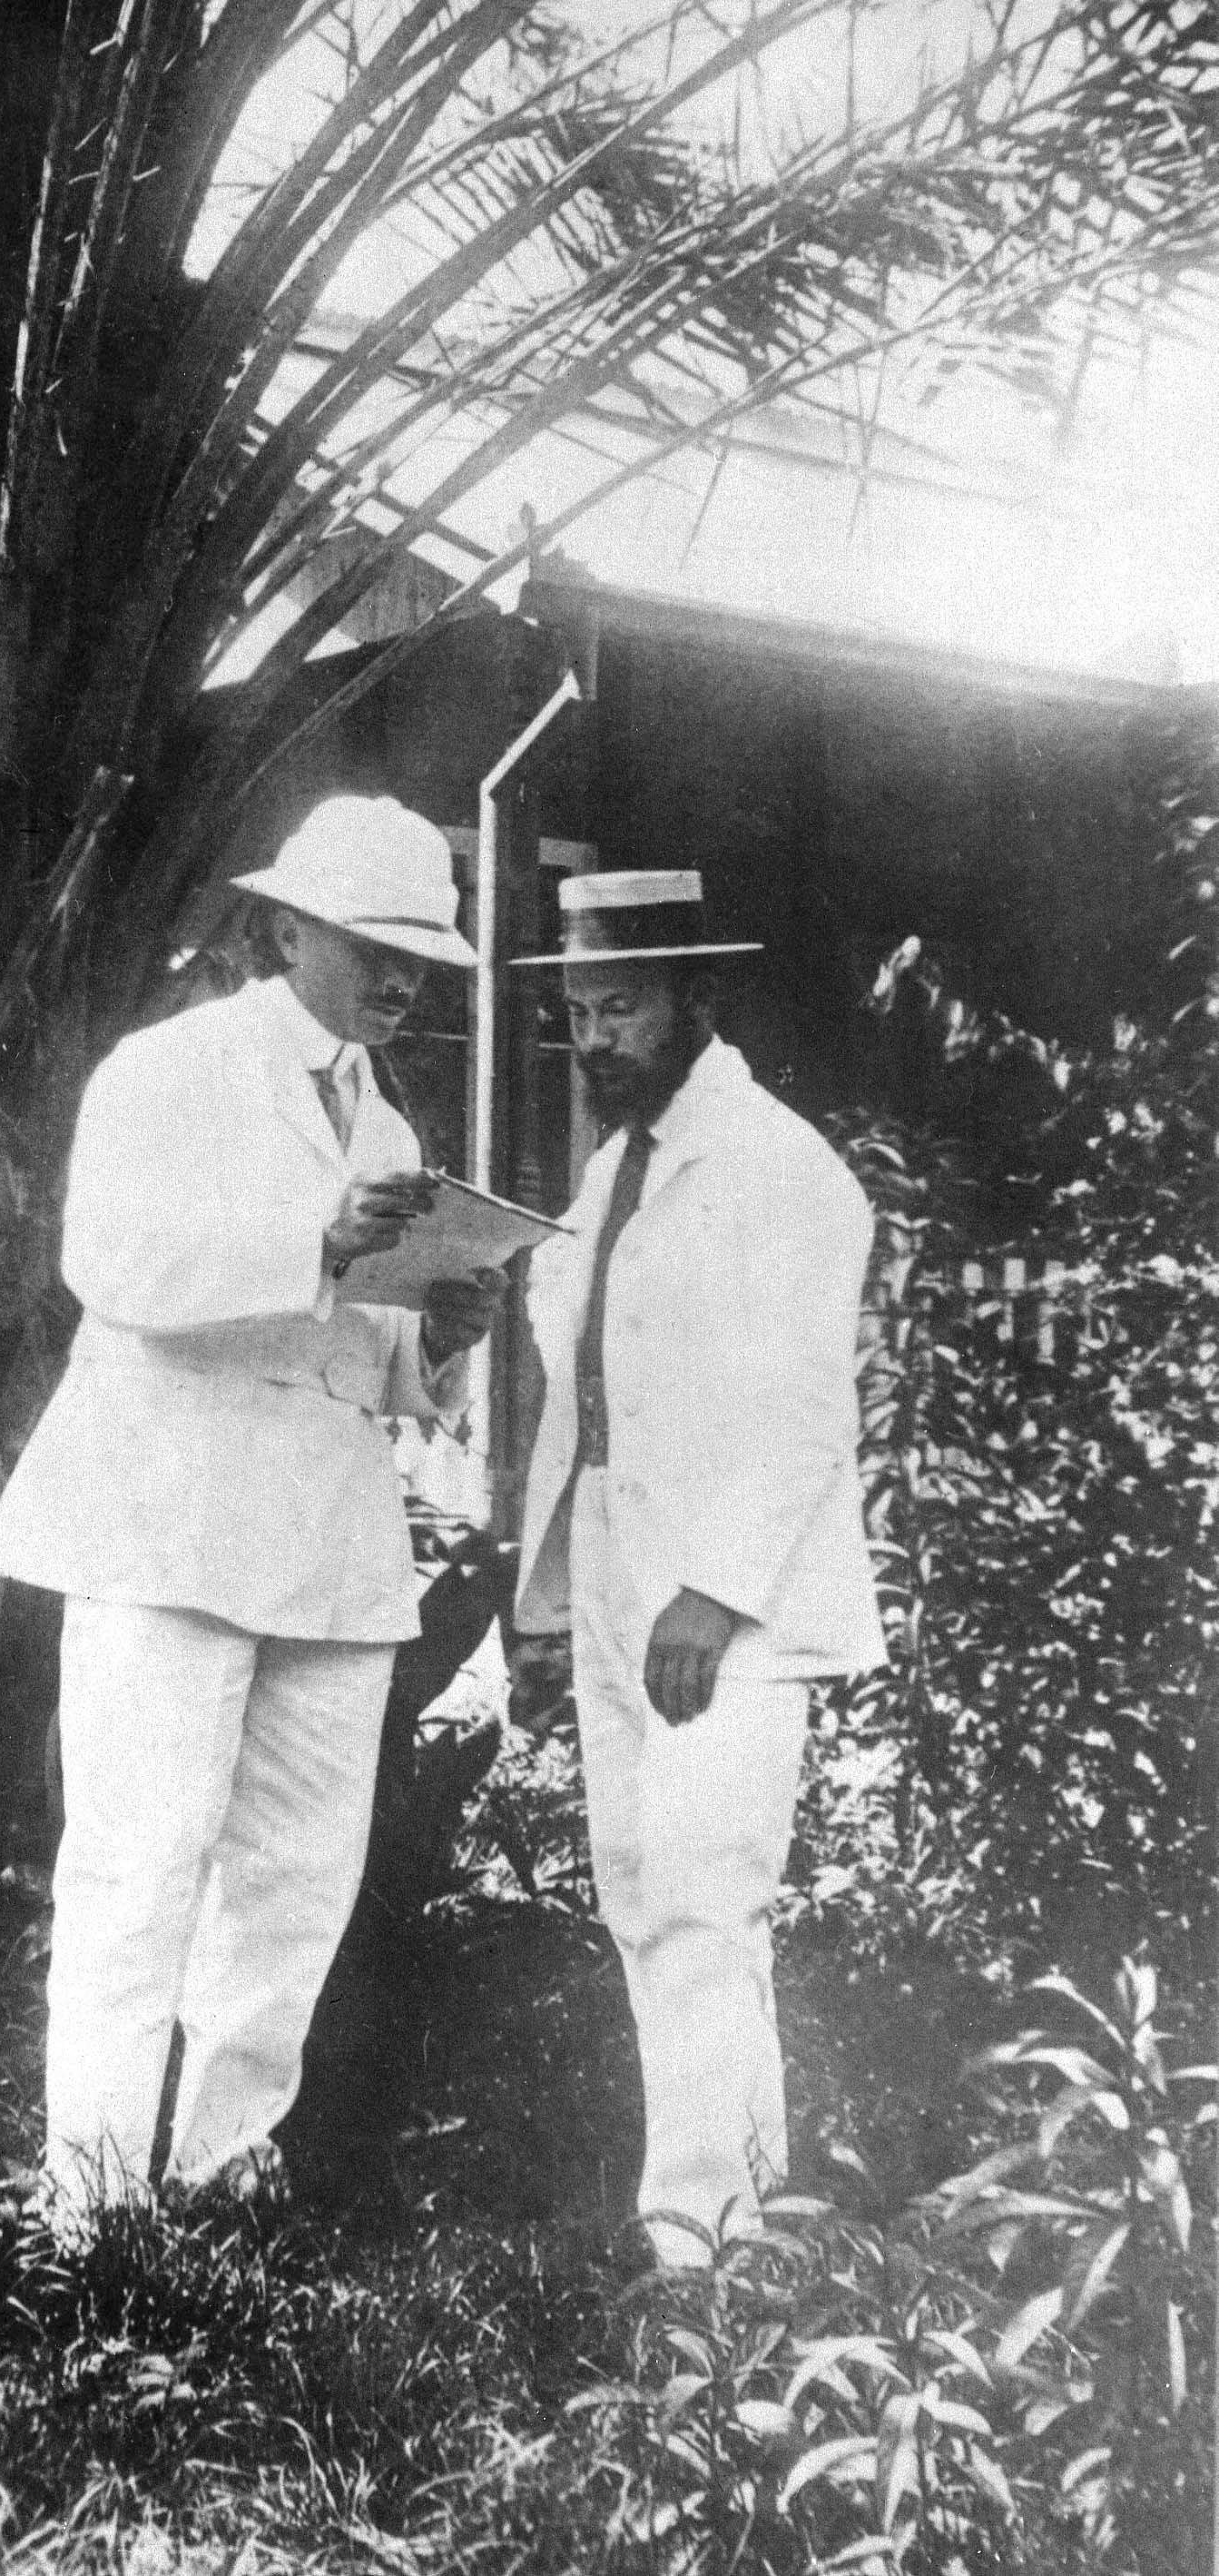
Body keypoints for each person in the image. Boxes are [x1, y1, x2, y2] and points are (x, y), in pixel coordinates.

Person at [0, 793, 501, 2228]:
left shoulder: (386, 1118)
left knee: (294, 1879)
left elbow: (362, 1354)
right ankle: (90, 2205)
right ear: (283, 934)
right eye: (373, 943)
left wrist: (437, 1335)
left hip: (326, 1541)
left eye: (421, 955)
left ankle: (220, 2171)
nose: (401, 977)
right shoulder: (170, 1070)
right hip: (168, 1520)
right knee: (138, 1866)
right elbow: (111, 1262)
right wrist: (312, 1238)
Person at [507, 870, 887, 2262]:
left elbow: (806, 1402)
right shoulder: (612, 1173)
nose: (593, 1038)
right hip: (618, 1560)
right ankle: (745, 2199)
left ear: (697, 998)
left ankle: (697, 2236)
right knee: (638, 1883)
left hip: (730, 1589)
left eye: (620, 1007)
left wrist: (717, 1591)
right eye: (577, 1011)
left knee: (704, 1889)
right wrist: (556, 1594)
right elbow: (584, 1385)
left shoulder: (784, 1169)